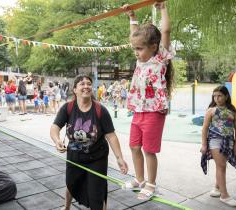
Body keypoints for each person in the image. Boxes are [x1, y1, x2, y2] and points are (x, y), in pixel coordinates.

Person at [50, 74, 128, 210]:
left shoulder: (100, 110)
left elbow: (111, 136)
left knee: (97, 192)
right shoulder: (67, 108)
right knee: (71, 184)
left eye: (88, 83)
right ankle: (66, 207)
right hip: (75, 156)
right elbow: (55, 127)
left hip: (96, 157)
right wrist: (57, 140)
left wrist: (119, 158)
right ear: (74, 89)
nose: (86, 86)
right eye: (82, 84)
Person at [123, 1, 175, 200]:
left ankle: (151, 184)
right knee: (134, 146)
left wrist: (163, 8)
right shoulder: (140, 59)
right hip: (138, 110)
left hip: (154, 111)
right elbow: (135, 35)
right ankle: (139, 179)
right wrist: (132, 17)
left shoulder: (160, 58)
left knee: (149, 150)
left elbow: (166, 31)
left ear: (154, 47)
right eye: (135, 48)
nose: (136, 52)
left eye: (140, 49)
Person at [201, 85, 236, 207]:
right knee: (221, 165)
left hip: (228, 141)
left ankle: (217, 188)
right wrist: (204, 145)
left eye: (219, 96)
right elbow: (205, 128)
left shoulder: (233, 112)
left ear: (226, 96)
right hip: (214, 140)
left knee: (221, 165)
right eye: (214, 96)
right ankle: (224, 196)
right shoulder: (211, 111)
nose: (216, 98)